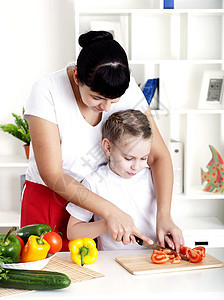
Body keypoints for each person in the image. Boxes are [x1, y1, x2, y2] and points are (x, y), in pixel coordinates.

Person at [21, 30, 184, 251]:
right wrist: (109, 211)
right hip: (52, 200)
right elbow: (53, 174)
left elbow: (158, 155)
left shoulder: (121, 84)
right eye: (97, 98)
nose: (107, 108)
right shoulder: (47, 91)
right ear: (77, 76)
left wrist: (164, 215)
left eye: (114, 101)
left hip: (98, 205)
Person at [67, 109, 157, 250]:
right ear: (108, 147)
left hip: (154, 259)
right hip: (112, 264)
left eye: (144, 158)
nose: (136, 166)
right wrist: (107, 222)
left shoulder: (153, 177)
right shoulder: (94, 183)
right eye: (128, 158)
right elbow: (72, 232)